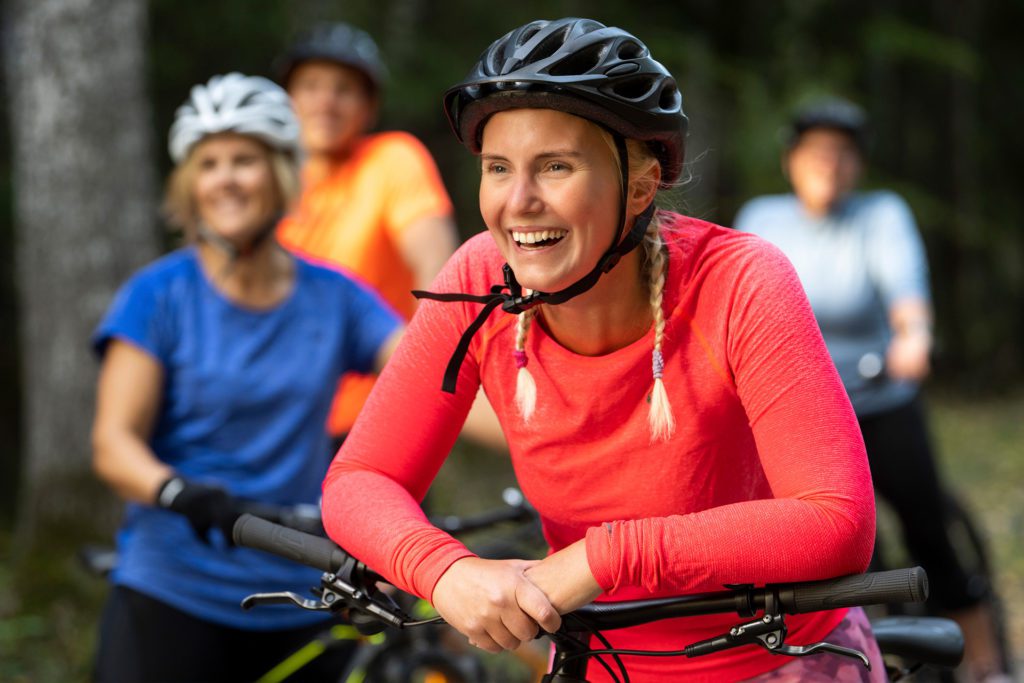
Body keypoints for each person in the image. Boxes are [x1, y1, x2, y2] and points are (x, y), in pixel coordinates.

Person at [322, 18, 882, 682]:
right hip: (598, 661)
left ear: (640, 186)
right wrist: (445, 568)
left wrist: (602, 558)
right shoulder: (478, 283)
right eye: (498, 168)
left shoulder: (739, 282)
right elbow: (359, 480)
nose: (518, 202)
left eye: (555, 165)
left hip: (777, 658)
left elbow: (836, 517)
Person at [90, 73, 403, 682]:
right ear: (189, 184)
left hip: (303, 586)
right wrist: (185, 495)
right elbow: (113, 444)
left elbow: (433, 378)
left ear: (283, 174)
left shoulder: (334, 298)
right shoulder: (159, 295)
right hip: (175, 587)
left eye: (245, 160)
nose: (226, 178)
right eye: (208, 164)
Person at [734, 96, 1010, 682]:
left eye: (842, 154)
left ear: (858, 165)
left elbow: (905, 284)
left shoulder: (881, 214)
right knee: (811, 547)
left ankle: (988, 663)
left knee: (926, 525)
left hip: (880, 398)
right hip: (800, 411)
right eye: (816, 152)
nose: (829, 164)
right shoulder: (763, 218)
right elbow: (734, 301)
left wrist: (914, 334)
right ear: (791, 161)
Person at [272, 23, 504, 448]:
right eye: (311, 86)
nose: (326, 101)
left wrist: (434, 373)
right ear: (287, 99)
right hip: (280, 421)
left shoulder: (392, 160)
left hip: (377, 415)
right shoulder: (265, 184)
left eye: (344, 89)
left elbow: (435, 272)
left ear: (369, 107)